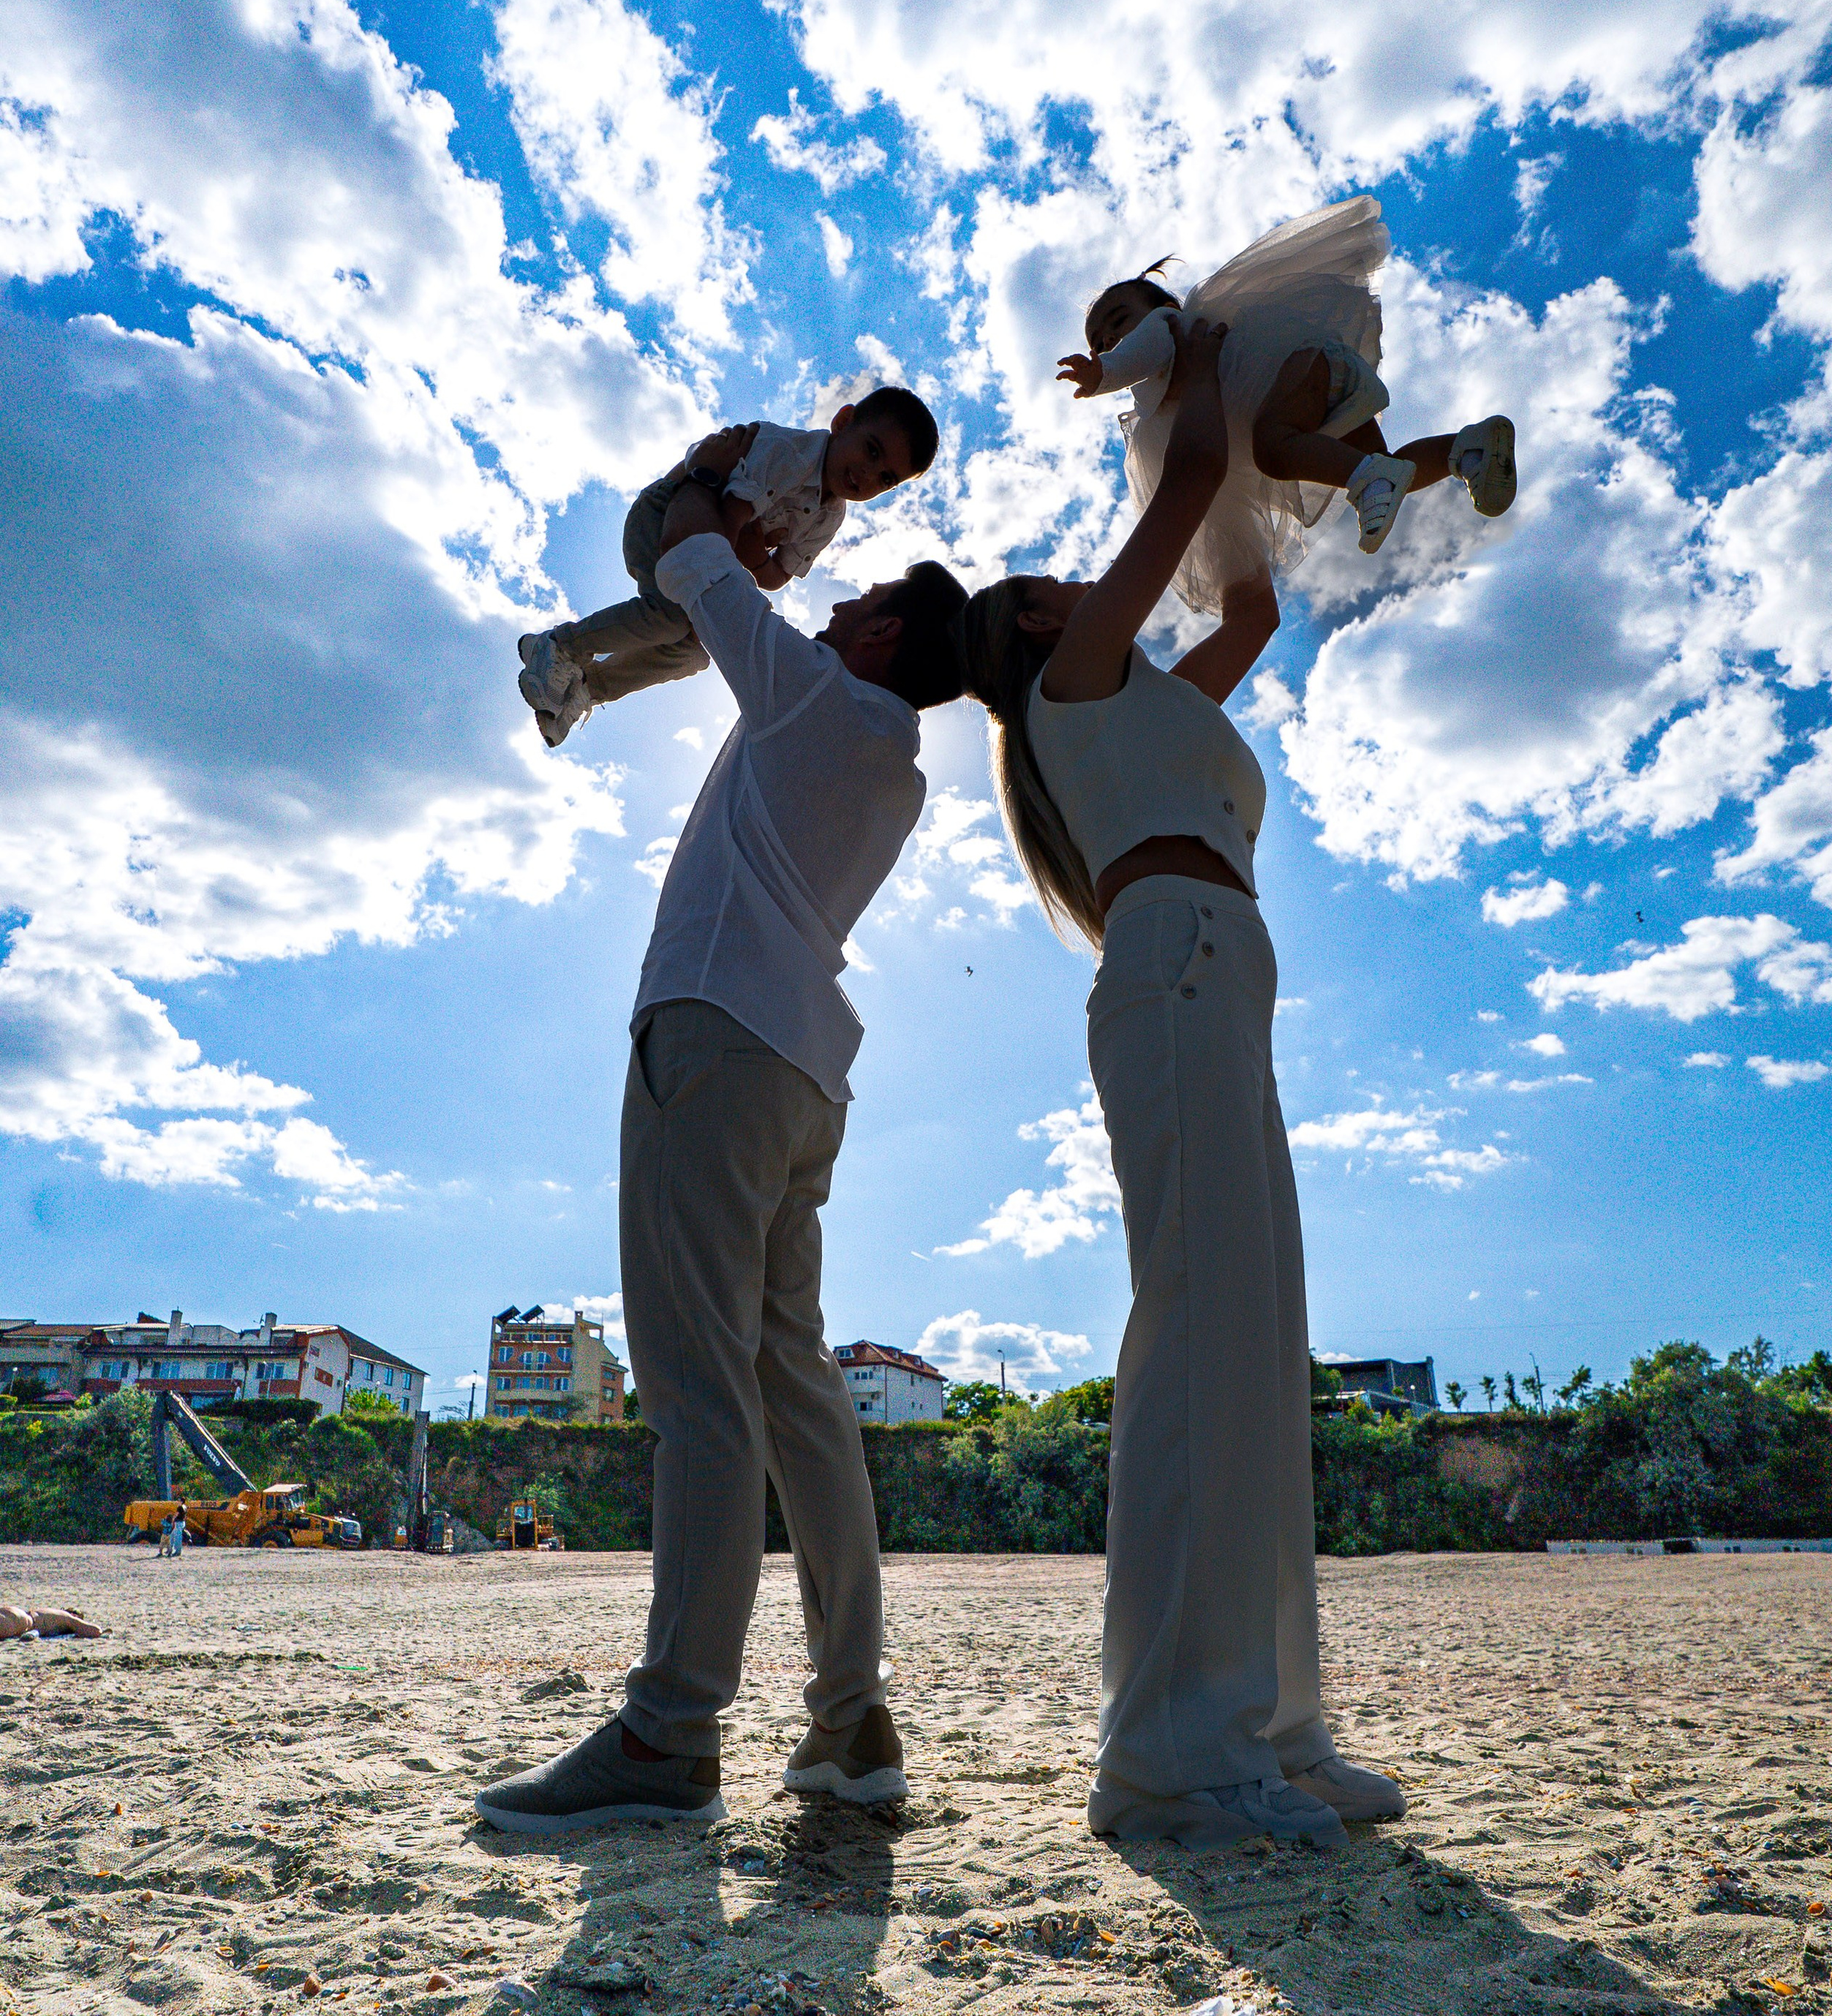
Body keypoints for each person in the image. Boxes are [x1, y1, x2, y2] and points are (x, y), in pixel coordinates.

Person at [475, 426, 968, 1836]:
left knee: (700, 1391)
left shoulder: (816, 698)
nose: (835, 605)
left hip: (718, 1037)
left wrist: (703, 485)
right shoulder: (896, 763)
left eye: (860, 607)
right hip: (806, 1072)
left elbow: (693, 566)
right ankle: (851, 1721)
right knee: (795, 1389)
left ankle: (670, 1731)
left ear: (880, 647)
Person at [959, 317, 1405, 1851]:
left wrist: (1237, 454)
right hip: (1174, 969)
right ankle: (1164, 1752)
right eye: (1039, 592)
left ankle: (1272, 1725)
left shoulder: (1164, 700)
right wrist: (1191, 370)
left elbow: (1257, 602)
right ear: (1027, 639)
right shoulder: (1073, 683)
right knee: (1199, 1334)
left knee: (1256, 1342)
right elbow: (1195, 474)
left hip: (1223, 971)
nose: (1068, 588)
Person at [1056, 194, 1515, 585]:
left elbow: (1135, 355)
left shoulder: (1166, 330)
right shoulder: (1158, 404)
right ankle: (1469, 450)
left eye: (1117, 323)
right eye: (1097, 343)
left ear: (1163, 309)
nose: (1107, 342)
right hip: (1314, 396)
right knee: (1390, 467)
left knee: (1273, 452)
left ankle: (1369, 479)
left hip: (1299, 373)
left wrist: (1101, 374)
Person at [518, 386, 941, 745]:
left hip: (703, 544)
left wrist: (755, 551)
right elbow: (724, 525)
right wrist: (755, 550)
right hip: (665, 513)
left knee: (692, 654)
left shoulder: (829, 518)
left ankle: (588, 688)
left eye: (886, 478)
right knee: (670, 616)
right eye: (871, 451)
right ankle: (559, 645)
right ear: (844, 421)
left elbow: (773, 577)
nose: (868, 475)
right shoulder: (787, 452)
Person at [0, 1604, 105, 1638]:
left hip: (17, 1614)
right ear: (74, 1615)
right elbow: (96, 1631)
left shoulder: (49, 1612)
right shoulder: (68, 1618)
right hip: (23, 1622)